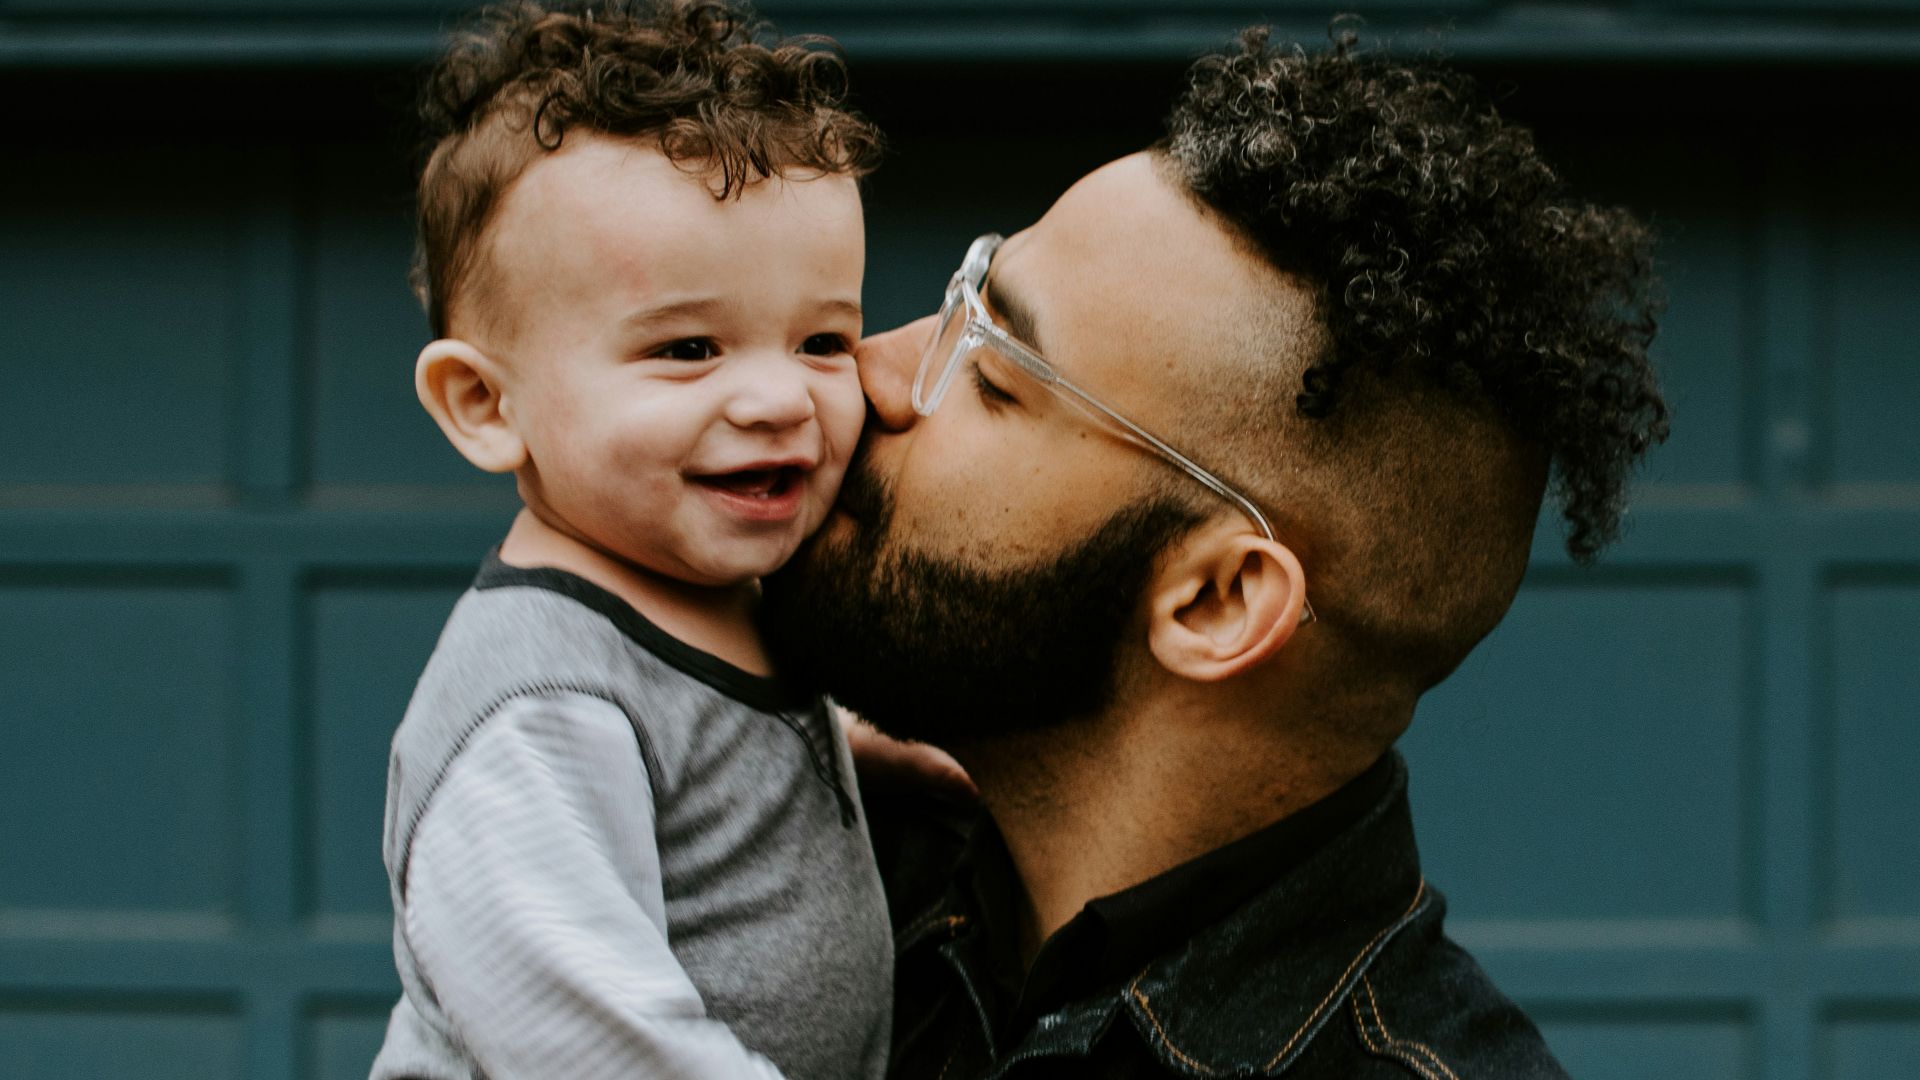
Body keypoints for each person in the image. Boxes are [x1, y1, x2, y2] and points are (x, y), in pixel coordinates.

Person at [760, 27, 1669, 1079]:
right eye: (963, 297)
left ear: (1218, 601)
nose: (865, 372)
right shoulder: (769, 844)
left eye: (996, 376)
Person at [367, 2, 893, 1078]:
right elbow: (590, 1042)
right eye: (690, 347)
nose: (777, 395)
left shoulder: (714, 593)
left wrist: (876, 755)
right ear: (483, 402)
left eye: (823, 338)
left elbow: (718, 764)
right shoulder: (538, 712)